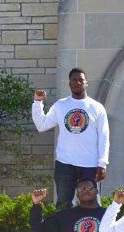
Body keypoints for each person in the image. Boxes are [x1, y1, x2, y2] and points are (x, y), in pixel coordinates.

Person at [32, 68, 110, 210]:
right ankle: (63, 226)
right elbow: (41, 125)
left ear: (86, 83)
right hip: (65, 163)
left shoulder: (97, 107)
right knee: (63, 205)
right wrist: (38, 103)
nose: (78, 82)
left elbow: (104, 136)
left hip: (90, 164)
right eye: (74, 80)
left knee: (91, 204)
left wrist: (102, 163)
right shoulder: (60, 105)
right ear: (69, 83)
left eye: (81, 80)